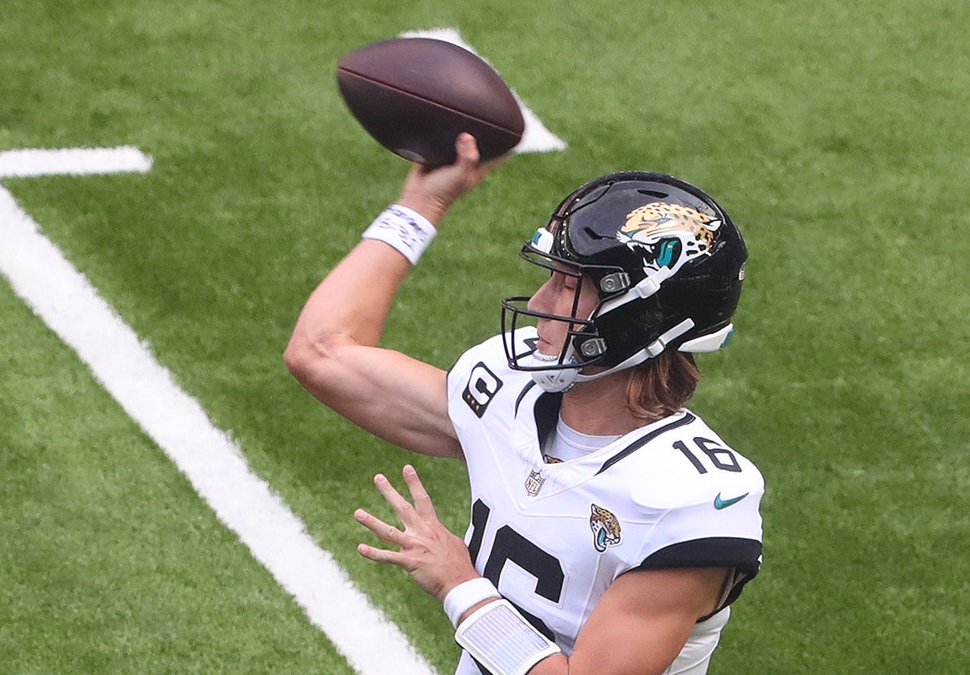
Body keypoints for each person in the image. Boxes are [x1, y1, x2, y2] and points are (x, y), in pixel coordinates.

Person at [285, 134, 764, 675]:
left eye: (566, 285)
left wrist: (459, 585)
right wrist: (422, 206)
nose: (539, 303)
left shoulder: (687, 499)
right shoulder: (511, 390)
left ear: (640, 313)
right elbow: (320, 352)